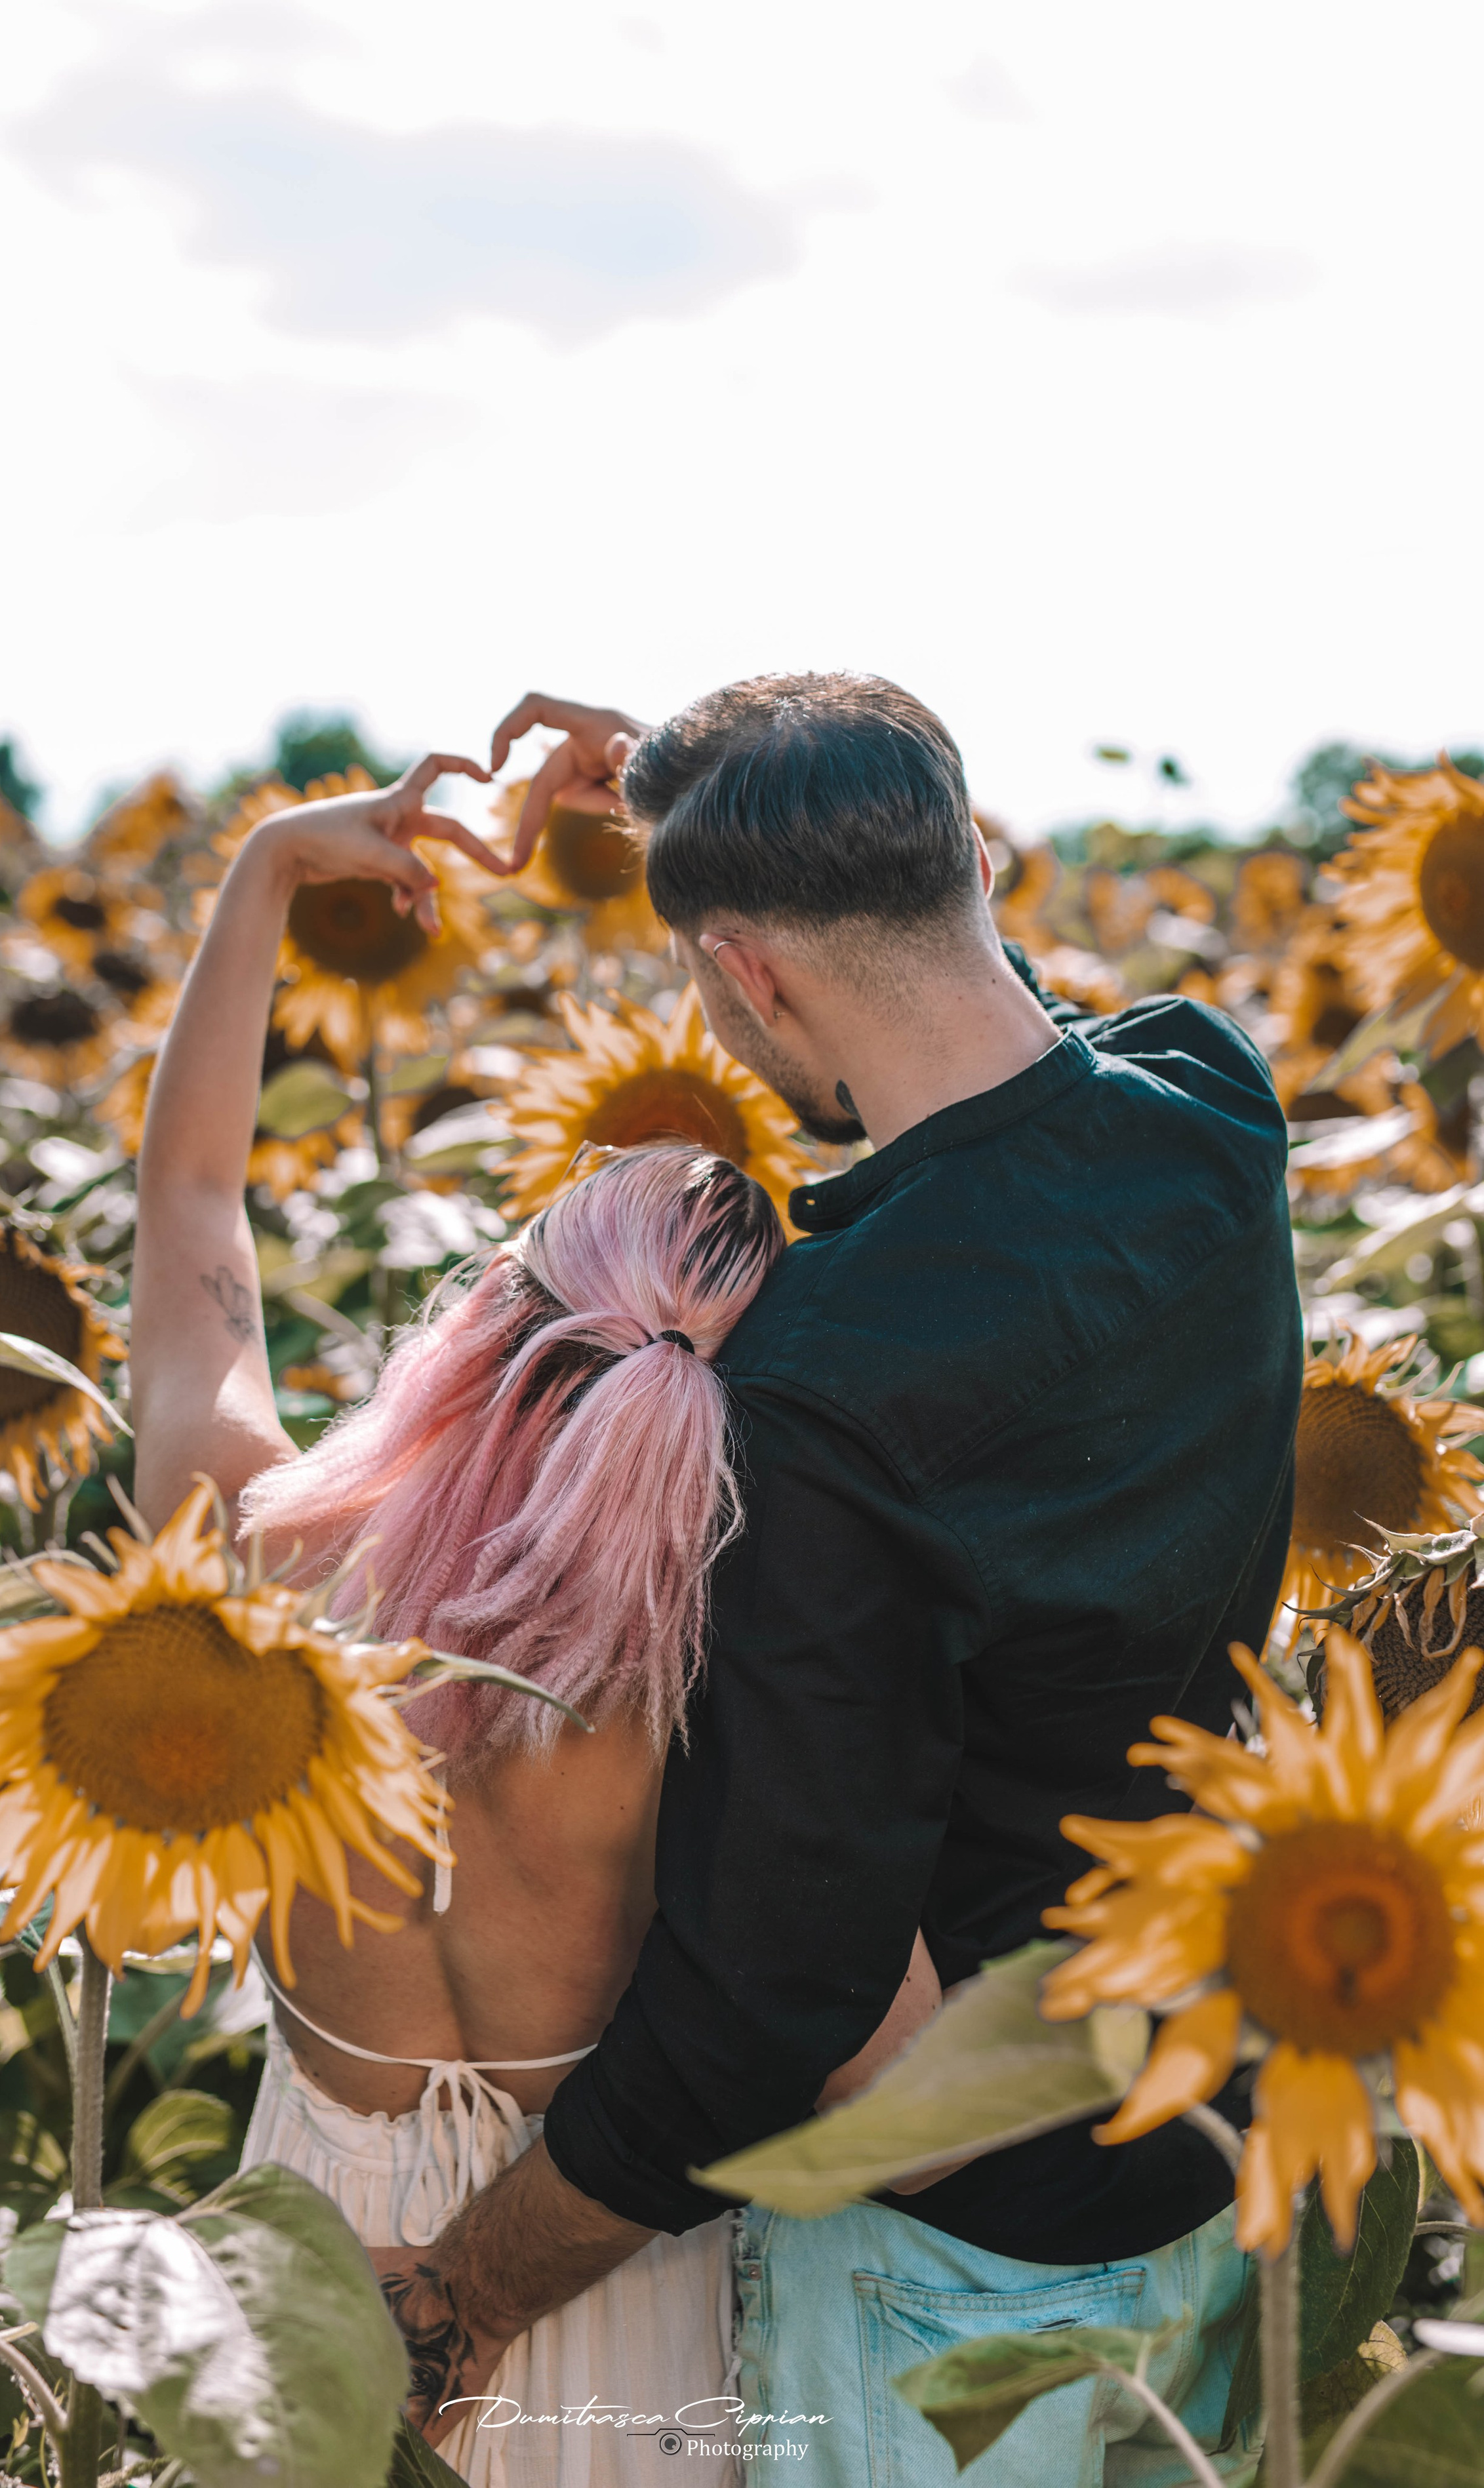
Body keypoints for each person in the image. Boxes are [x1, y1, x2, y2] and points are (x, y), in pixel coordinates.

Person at [371, 679, 1303, 2488]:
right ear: (968, 855)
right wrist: (749, 793)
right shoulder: (1216, 1103)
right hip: (1222, 2137)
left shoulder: (817, 1394)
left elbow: (762, 1999)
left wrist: (467, 2295)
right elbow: (994, 1007)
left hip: (953, 2267)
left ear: (748, 975)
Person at [127, 757, 939, 2488]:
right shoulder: (733, 1667)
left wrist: (271, 867)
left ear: (492, 1311)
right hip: (604, 2279)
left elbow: (191, 1213)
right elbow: (889, 2068)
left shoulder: (263, 1559)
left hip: (301, 2270)